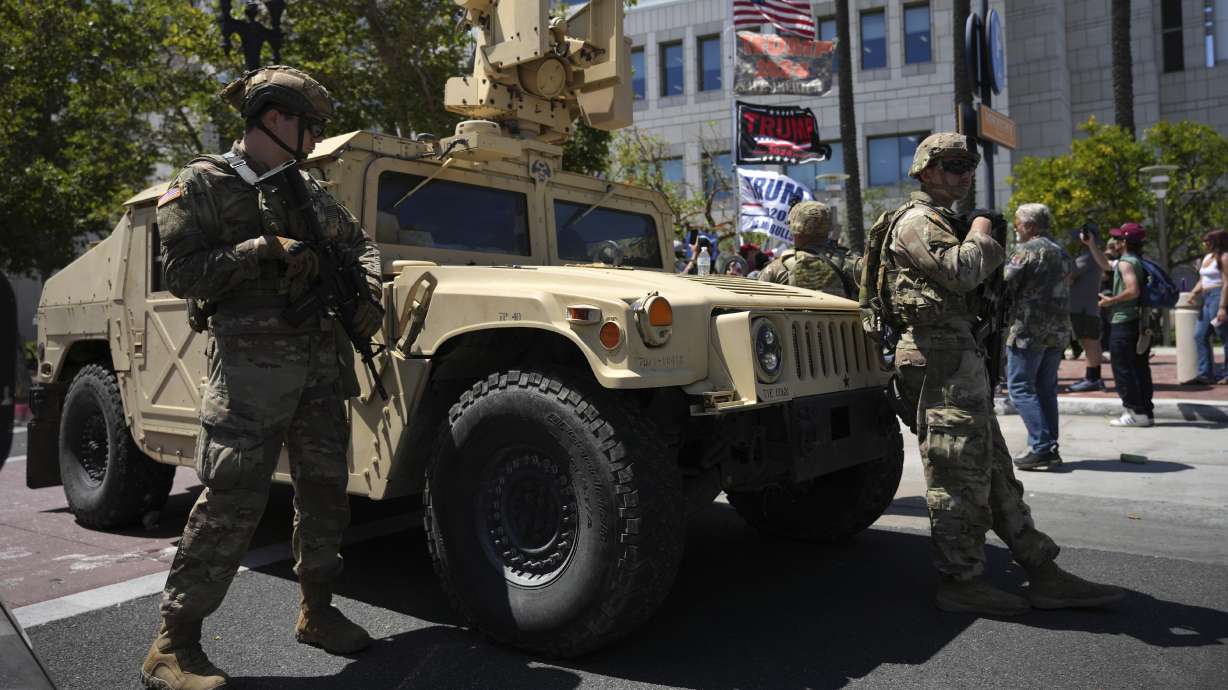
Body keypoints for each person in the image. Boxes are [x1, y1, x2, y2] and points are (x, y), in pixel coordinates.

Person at [142, 66, 384, 690]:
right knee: (231, 502)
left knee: (326, 494)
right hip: (249, 379)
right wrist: (260, 251)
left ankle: (318, 612)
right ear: (274, 119)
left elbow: (359, 244)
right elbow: (182, 275)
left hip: (319, 370)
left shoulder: (304, 189)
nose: (314, 138)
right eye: (308, 126)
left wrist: (371, 292)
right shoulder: (201, 184)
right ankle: (174, 645)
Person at [879, 132, 1123, 616]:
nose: (964, 174)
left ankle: (1041, 568)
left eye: (968, 165)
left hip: (957, 355)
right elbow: (960, 271)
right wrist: (983, 229)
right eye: (952, 165)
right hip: (936, 357)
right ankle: (961, 580)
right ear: (925, 170)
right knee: (957, 474)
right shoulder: (916, 220)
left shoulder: (945, 219)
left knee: (992, 470)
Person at [1003, 204, 1072, 470]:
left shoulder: (1026, 251)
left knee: (1020, 388)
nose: (1016, 227)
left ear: (1030, 226)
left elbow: (1005, 282)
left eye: (1018, 223)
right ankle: (1050, 446)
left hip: (1029, 330)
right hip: (1058, 330)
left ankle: (1042, 447)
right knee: (1045, 389)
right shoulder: (1060, 250)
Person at [1099, 222, 1154, 427]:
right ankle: (1145, 412)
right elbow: (1105, 265)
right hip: (1138, 321)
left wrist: (1110, 301)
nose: (1114, 241)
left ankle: (1134, 411)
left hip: (1124, 320)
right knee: (1140, 368)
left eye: (1118, 238)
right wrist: (1091, 246)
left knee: (1123, 369)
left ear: (1124, 242)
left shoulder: (1125, 263)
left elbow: (1132, 290)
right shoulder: (1136, 260)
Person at [758, 201, 860, 298]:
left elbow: (757, 306)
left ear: (794, 230)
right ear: (829, 228)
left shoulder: (776, 269)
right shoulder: (852, 265)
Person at [1066, 226, 1113, 391]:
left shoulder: (1087, 258)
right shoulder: (1091, 256)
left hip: (1083, 308)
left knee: (1089, 342)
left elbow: (1068, 275)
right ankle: (1092, 376)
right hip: (1086, 306)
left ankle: (1093, 378)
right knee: (1090, 342)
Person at [1188, 229, 1228, 384]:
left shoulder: (1224, 257)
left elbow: (1226, 282)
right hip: (1207, 297)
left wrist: (1223, 307)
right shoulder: (1207, 258)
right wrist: (1193, 293)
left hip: (1219, 296)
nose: (1204, 243)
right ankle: (1205, 373)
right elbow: (1203, 279)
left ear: (1217, 241)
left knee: (1223, 335)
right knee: (1200, 334)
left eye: (1207, 240)